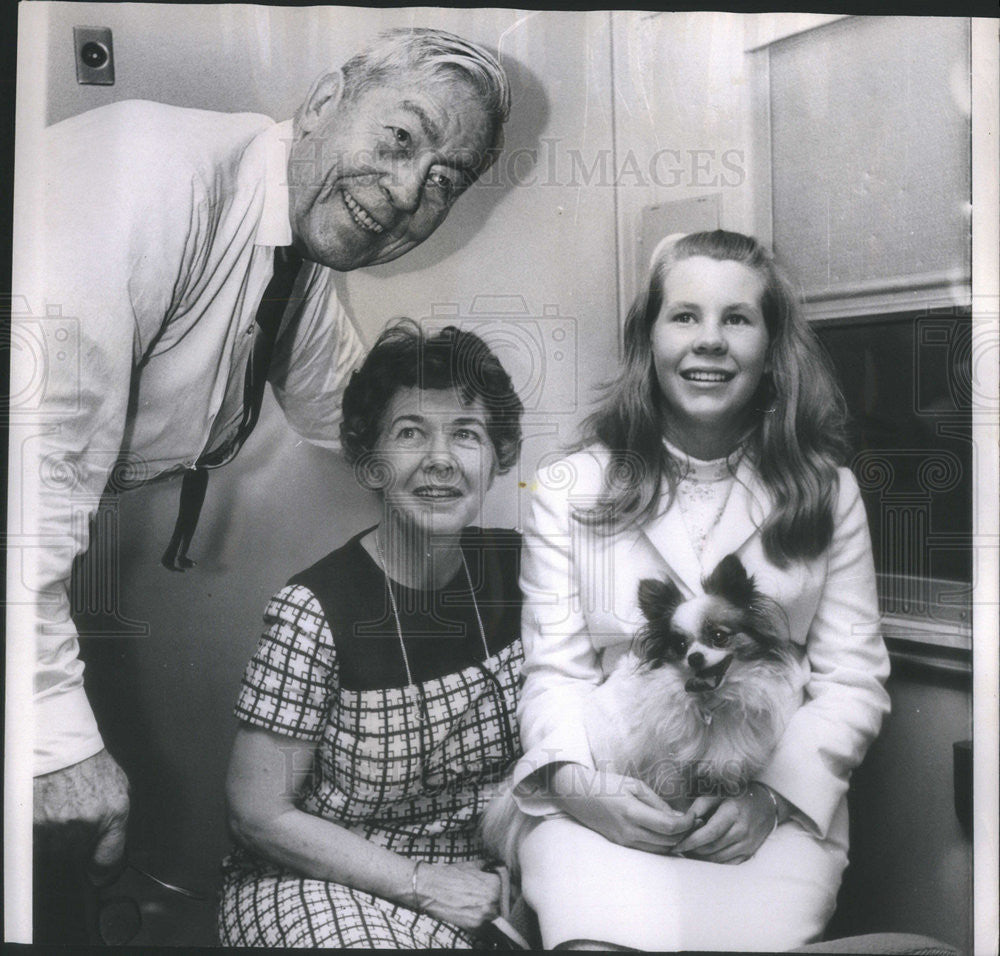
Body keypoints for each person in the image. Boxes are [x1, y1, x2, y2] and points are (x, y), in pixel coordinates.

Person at [15, 26, 511, 921]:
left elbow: (342, 406)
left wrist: (458, 451)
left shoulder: (300, 251)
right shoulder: (141, 179)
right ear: (325, 102)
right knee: (59, 839)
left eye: (444, 180)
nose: (406, 193)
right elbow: (25, 478)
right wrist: (51, 739)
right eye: (401, 140)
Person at [509, 230, 891, 951]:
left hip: (762, 809)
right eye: (684, 316)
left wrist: (772, 799)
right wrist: (585, 794)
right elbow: (554, 673)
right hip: (607, 793)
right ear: (647, 339)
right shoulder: (568, 487)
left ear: (771, 347)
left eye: (737, 319)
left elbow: (854, 680)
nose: (709, 341)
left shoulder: (826, 492)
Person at [219, 321, 525, 948]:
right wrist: (417, 880)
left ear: (497, 459)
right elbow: (259, 814)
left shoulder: (531, 572)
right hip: (321, 881)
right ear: (369, 461)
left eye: (466, 434)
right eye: (410, 433)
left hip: (484, 882)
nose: (440, 459)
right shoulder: (312, 610)